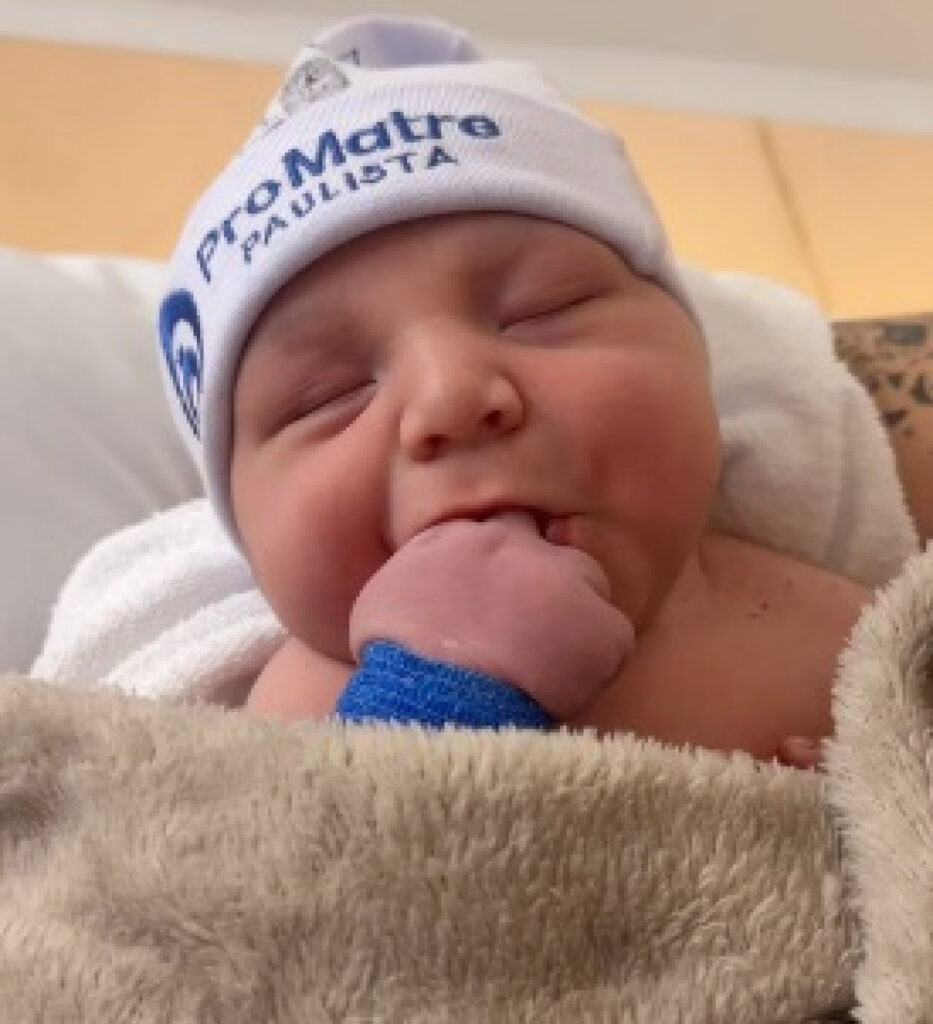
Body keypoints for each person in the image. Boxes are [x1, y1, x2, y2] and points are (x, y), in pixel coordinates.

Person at [115, 16, 915, 766]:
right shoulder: (293, 723)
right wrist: (427, 696)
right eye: (325, 395)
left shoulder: (852, 641)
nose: (450, 395)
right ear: (245, 534)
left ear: (693, 359)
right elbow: (306, 860)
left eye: (543, 310)